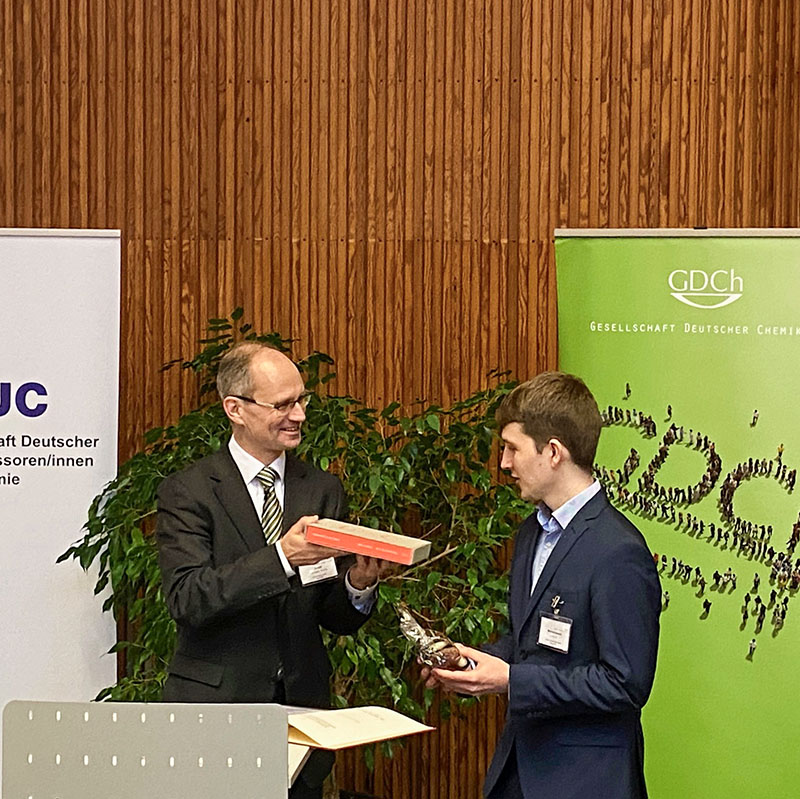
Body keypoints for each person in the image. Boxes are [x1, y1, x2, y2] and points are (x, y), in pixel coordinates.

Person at [156, 342, 387, 799]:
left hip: (303, 720)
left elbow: (332, 616)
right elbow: (188, 598)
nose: (298, 415)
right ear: (234, 409)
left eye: (301, 400)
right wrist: (281, 558)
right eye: (282, 404)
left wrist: (358, 585)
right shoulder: (189, 490)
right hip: (215, 719)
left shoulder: (321, 489)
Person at [423, 371, 661, 799]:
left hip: (587, 782)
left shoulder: (619, 551)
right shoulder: (531, 532)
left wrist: (511, 680)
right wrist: (470, 664)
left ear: (553, 452)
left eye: (512, 448)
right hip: (519, 768)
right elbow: (528, 643)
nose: (503, 464)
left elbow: (626, 683)